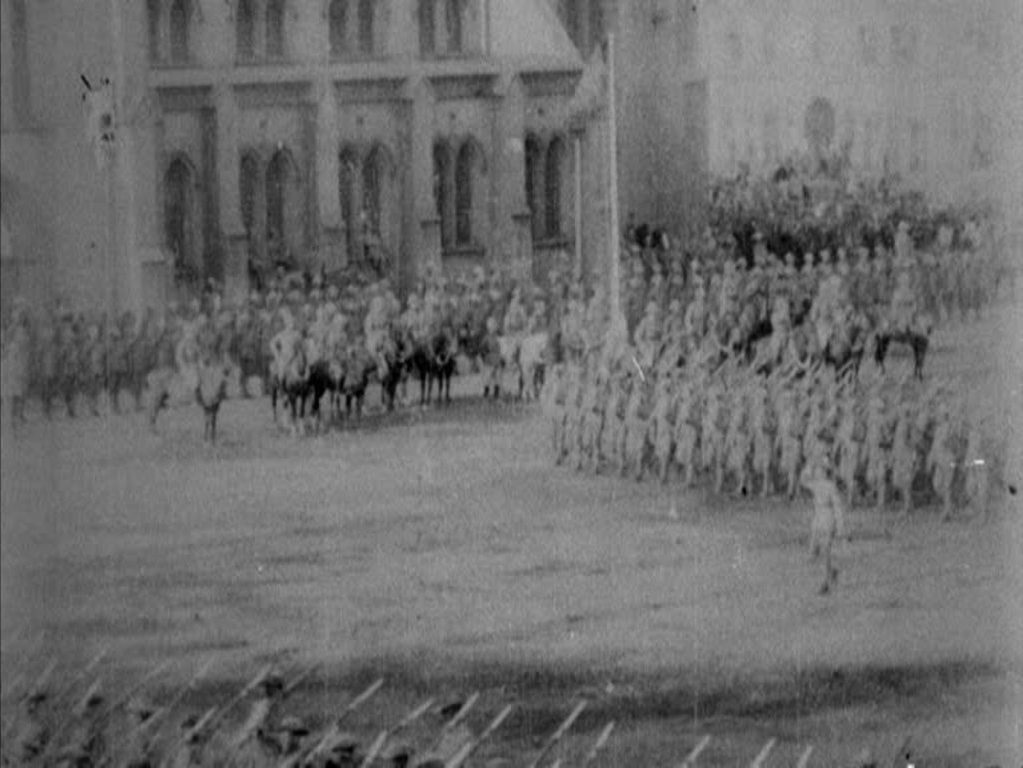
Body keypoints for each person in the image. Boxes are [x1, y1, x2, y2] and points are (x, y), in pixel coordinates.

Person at [800, 456, 846, 595]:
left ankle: (825, 582)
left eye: (819, 469)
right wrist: (809, 465)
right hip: (817, 518)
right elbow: (803, 481)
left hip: (828, 518)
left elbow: (838, 507)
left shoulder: (830, 486)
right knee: (813, 553)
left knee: (826, 551)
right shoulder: (816, 484)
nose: (816, 471)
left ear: (824, 471)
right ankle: (831, 572)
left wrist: (840, 527)